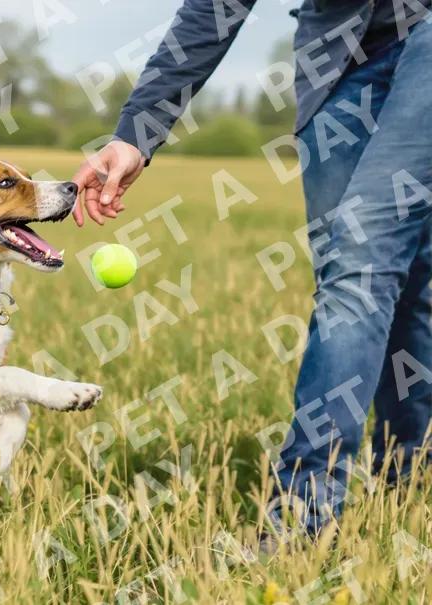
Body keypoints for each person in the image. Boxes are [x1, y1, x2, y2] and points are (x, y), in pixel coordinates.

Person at [73, 0, 432, 538]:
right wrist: (136, 134)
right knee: (382, 281)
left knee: (359, 271)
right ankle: (411, 476)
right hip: (340, 61)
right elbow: (213, 10)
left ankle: (302, 516)